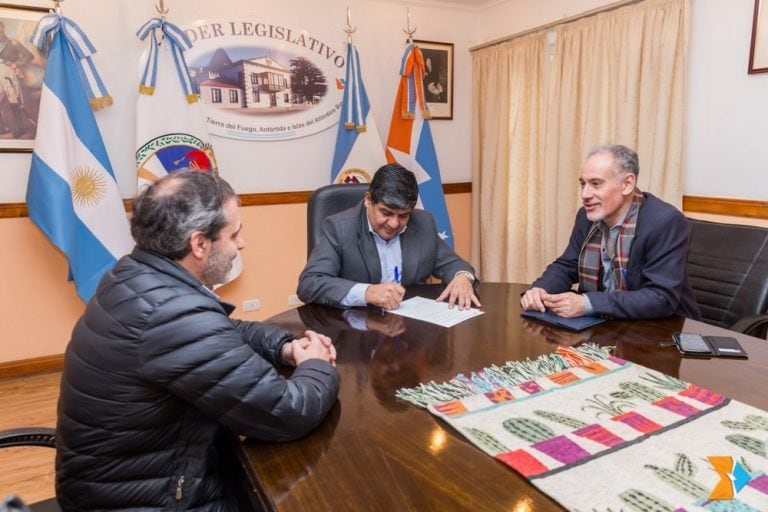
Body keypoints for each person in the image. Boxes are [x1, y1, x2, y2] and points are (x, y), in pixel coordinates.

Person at [55, 171, 340, 511]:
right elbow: (288, 411)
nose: (241, 244)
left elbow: (220, 330)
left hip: (123, 481)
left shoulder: (134, 274)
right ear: (199, 244)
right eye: (234, 234)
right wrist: (317, 365)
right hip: (150, 500)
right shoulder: (173, 314)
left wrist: (286, 347)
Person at [521, 144, 700, 320]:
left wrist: (587, 303)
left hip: (662, 330)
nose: (585, 194)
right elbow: (568, 265)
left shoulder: (664, 221)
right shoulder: (586, 215)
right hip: (605, 323)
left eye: (596, 184)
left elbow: (660, 297)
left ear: (627, 184)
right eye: (583, 184)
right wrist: (541, 289)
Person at [297, 163, 480, 310]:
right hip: (356, 329)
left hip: (410, 329)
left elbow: (453, 264)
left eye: (403, 215)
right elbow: (310, 283)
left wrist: (462, 277)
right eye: (386, 213)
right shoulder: (340, 228)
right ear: (368, 200)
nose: (394, 224)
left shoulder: (423, 223)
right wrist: (366, 292)